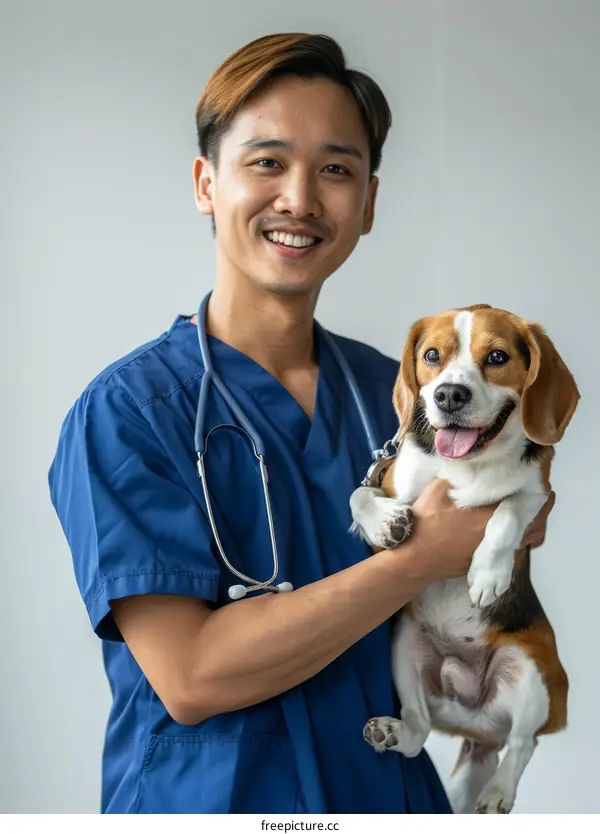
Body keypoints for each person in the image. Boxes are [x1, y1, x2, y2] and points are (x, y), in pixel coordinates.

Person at [48, 32, 553, 815]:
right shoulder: (130, 412)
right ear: (206, 184)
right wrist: (419, 556)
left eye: (336, 170)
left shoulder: (403, 392)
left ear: (369, 203)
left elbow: (478, 604)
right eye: (267, 162)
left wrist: (516, 505)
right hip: (211, 805)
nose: (300, 199)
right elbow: (191, 677)